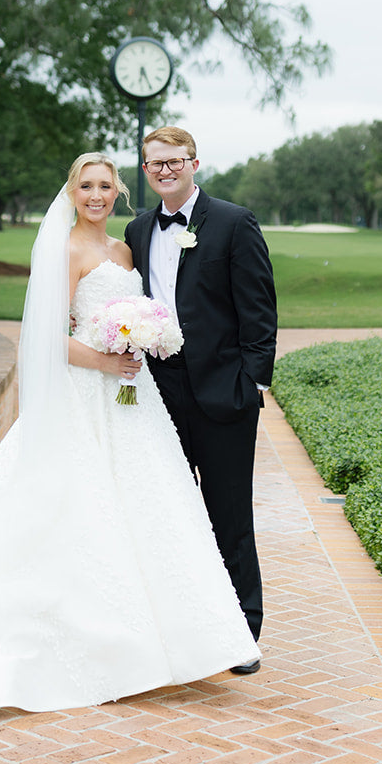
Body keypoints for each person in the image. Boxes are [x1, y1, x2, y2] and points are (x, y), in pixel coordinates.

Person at [0, 152, 258, 738]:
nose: (95, 195)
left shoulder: (125, 249)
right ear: (71, 191)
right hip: (84, 393)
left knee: (149, 506)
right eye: (85, 185)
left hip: (132, 399)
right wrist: (106, 359)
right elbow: (45, 336)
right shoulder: (64, 251)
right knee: (79, 508)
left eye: (104, 185)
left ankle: (175, 638)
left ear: (118, 192)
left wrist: (141, 341)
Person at [123, 127, 277, 671]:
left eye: (175, 161)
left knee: (229, 515)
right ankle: (183, 628)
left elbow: (259, 310)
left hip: (223, 392)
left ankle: (242, 635)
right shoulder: (137, 229)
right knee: (169, 510)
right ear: (145, 170)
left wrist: (252, 383)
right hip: (159, 392)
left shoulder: (234, 222)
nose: (165, 170)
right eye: (155, 163)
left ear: (193, 163)